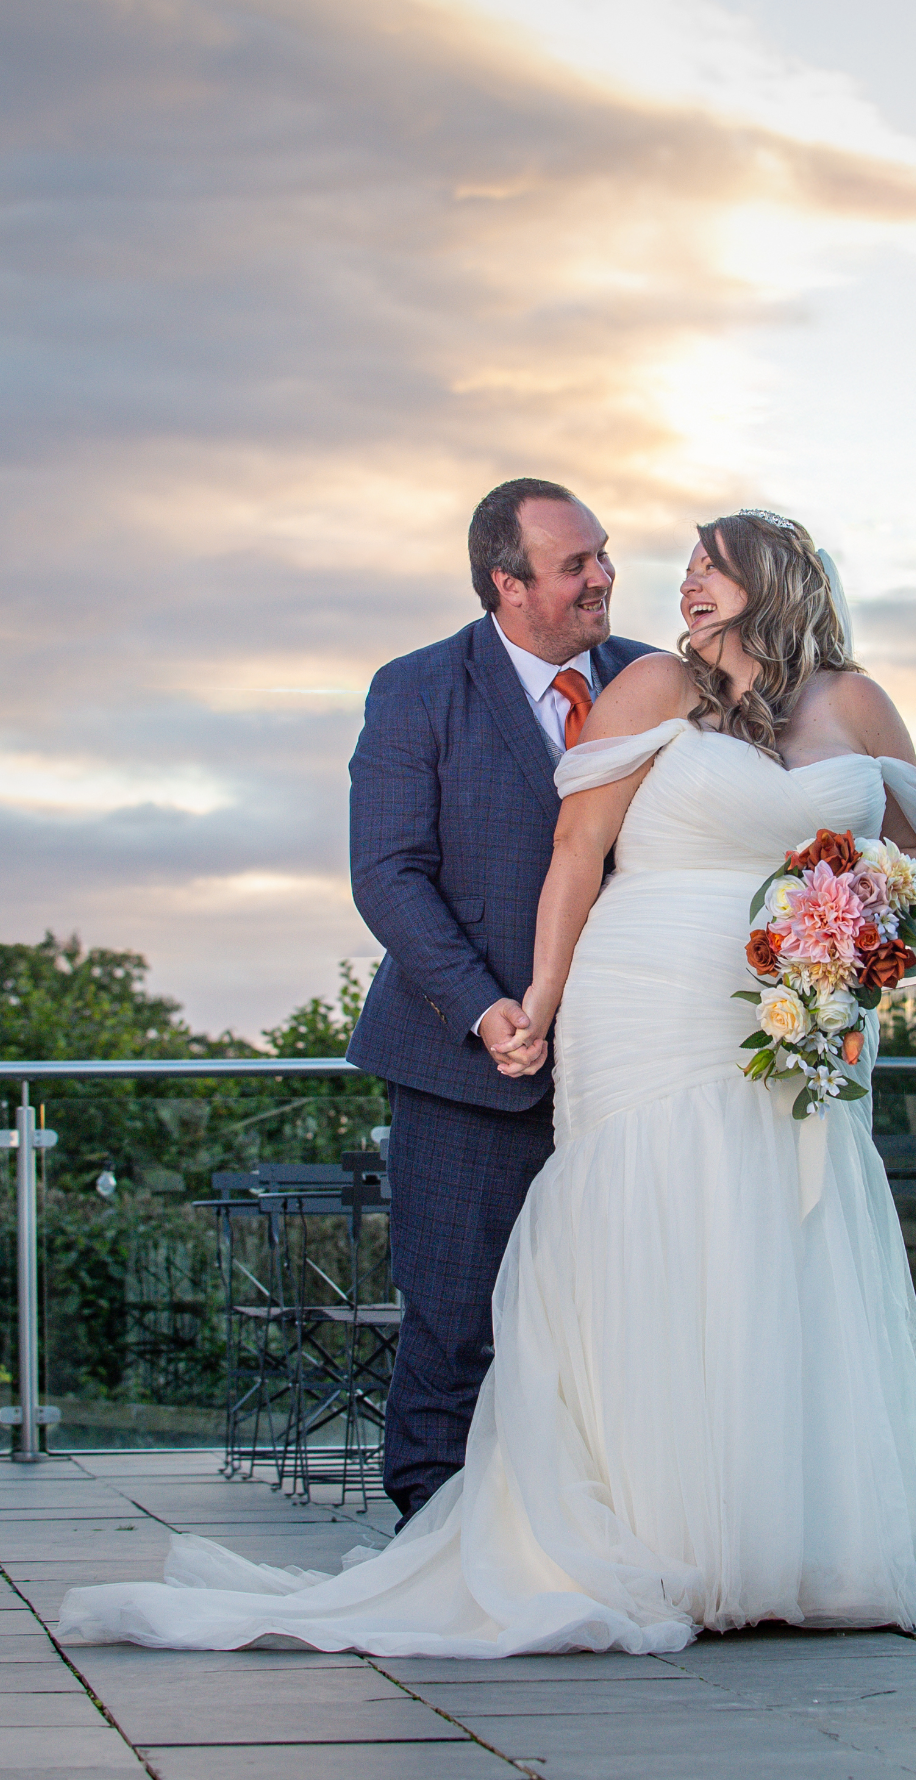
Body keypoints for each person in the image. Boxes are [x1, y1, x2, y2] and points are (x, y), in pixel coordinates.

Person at [57, 508, 916, 1655]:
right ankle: (485, 1524)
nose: (634, 582)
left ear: (771, 579)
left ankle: (774, 1537)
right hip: (602, 1012)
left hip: (784, 1023)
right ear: (505, 578)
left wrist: (847, 949)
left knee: (766, 1243)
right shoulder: (473, 687)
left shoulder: (777, 693)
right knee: (511, 1275)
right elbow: (425, 869)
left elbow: (902, 857)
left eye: (687, 567)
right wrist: (523, 999)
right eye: (585, 563)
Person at [344, 477, 655, 1526]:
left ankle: (588, 1527)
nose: (604, 577)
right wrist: (488, 1008)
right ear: (507, 583)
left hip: (623, 1065)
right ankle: (433, 1540)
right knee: (453, 1320)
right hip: (459, 1063)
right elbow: (388, 872)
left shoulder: (656, 681)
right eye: (577, 565)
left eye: (604, 554)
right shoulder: (418, 687)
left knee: (608, 1314)